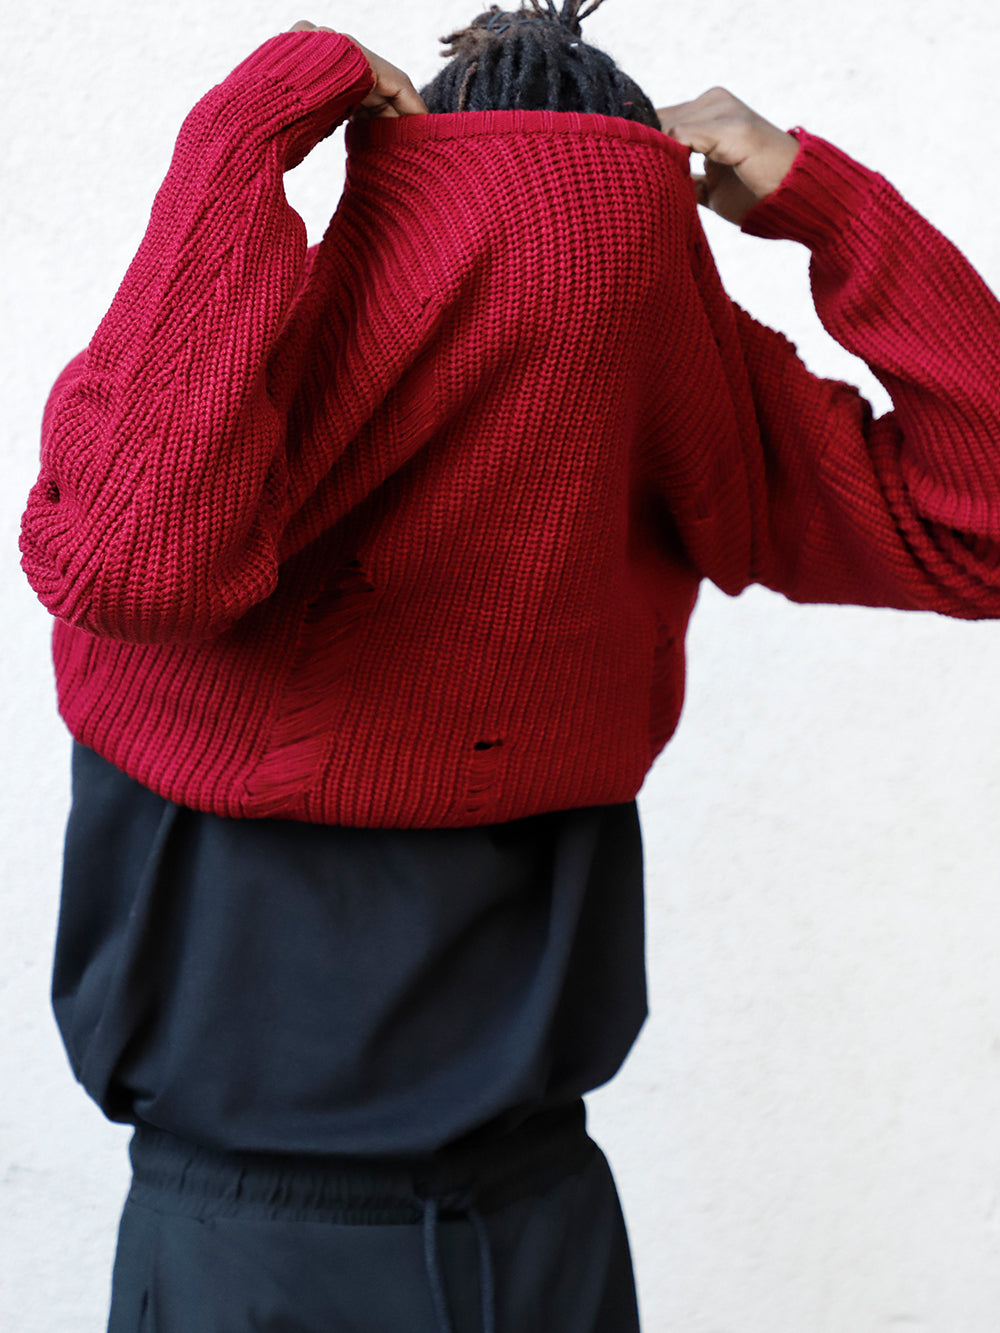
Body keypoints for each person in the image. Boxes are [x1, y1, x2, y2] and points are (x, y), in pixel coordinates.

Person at [19, 1, 1000, 1329]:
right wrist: (816, 197)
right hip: (534, 1244)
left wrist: (246, 129)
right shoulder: (679, 377)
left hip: (247, 1254)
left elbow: (121, 556)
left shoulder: (226, 399)